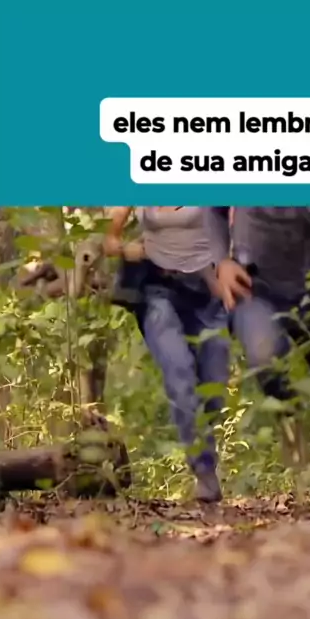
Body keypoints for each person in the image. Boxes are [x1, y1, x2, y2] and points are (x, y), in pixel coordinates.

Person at [204, 206, 310, 504]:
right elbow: (211, 209)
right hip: (254, 286)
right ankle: (290, 415)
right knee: (265, 355)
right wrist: (221, 262)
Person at [104, 207, 229, 503]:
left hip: (208, 289)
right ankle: (204, 472)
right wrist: (123, 246)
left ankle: (202, 440)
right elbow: (109, 240)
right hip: (158, 289)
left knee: (214, 392)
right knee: (179, 372)